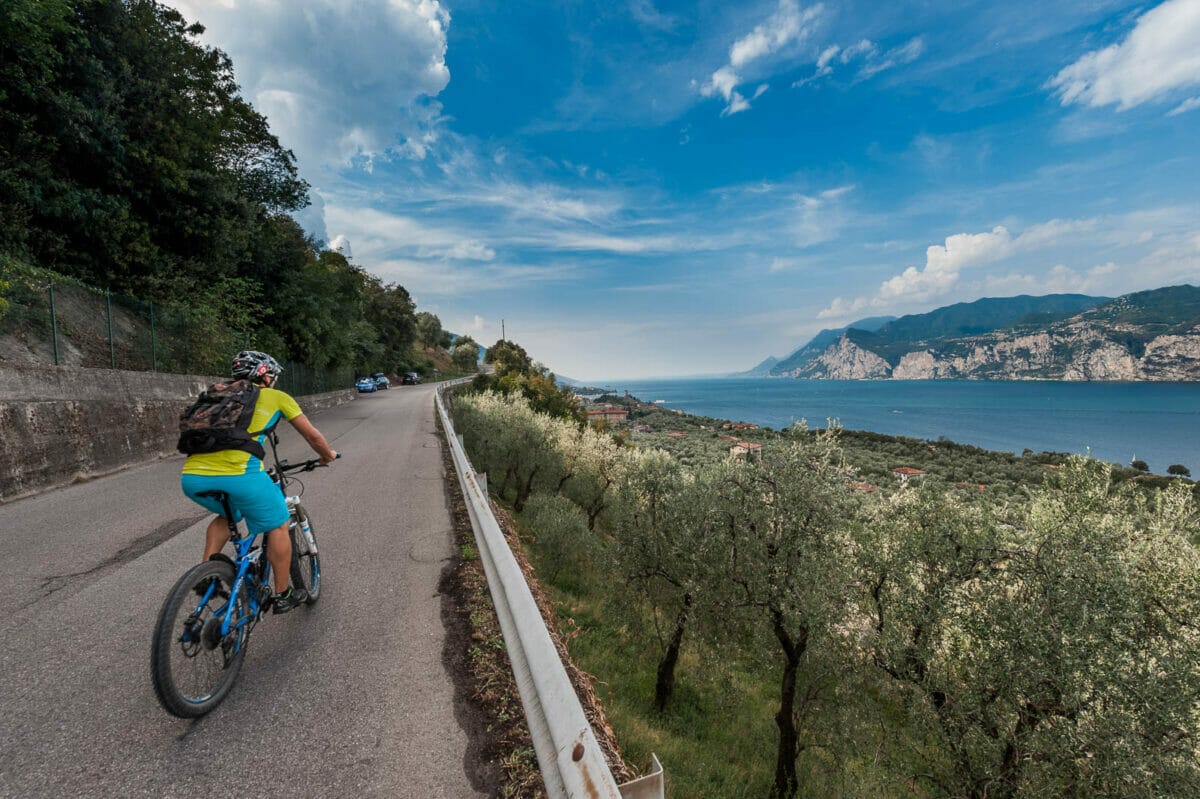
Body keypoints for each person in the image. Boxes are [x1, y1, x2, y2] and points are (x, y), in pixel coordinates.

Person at [180, 351, 338, 613]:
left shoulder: (218, 396)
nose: (274, 380)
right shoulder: (276, 397)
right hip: (241, 475)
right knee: (278, 524)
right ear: (263, 373)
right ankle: (283, 593)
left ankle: (206, 574)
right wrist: (327, 455)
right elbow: (313, 436)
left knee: (229, 513)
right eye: (272, 375)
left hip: (193, 477)